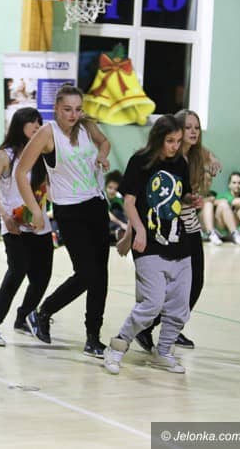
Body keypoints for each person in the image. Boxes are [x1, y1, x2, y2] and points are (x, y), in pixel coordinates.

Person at [15, 85, 112, 358]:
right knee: (87, 273)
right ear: (56, 108)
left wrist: (102, 155)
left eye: (78, 109)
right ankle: (43, 312)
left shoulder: (87, 127)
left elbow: (104, 142)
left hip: (96, 204)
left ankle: (93, 337)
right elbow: (21, 172)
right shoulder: (47, 133)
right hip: (69, 210)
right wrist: (35, 210)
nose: (73, 115)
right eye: (67, 109)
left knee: (100, 274)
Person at [102, 114, 200, 375]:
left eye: (178, 141)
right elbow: (129, 202)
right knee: (152, 304)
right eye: (170, 141)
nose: (175, 146)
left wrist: (191, 200)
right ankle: (117, 347)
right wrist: (138, 231)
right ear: (158, 139)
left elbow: (181, 196)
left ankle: (163, 351)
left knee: (179, 307)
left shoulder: (180, 162)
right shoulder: (140, 161)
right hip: (149, 244)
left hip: (179, 243)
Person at [134, 109, 220, 351]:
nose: (194, 132)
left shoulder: (193, 154)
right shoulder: (170, 158)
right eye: (188, 127)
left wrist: (212, 158)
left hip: (190, 224)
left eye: (197, 127)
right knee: (172, 285)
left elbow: (202, 150)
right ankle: (146, 327)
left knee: (196, 281)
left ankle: (173, 326)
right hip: (171, 226)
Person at [0, 107, 53, 346]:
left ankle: (24, 317)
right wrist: (6, 217)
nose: (37, 126)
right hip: (14, 226)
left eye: (39, 122)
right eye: (32, 122)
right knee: (17, 272)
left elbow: (47, 189)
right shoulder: (4, 155)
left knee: (42, 276)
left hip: (40, 225)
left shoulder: (42, 154)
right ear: (20, 124)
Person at [213, 172, 240, 245]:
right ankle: (236, 233)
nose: (237, 185)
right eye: (234, 183)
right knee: (226, 205)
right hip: (225, 231)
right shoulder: (223, 195)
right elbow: (235, 202)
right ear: (229, 185)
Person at [104, 170, 127, 243]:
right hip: (105, 222)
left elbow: (125, 211)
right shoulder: (102, 197)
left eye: (115, 189)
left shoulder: (118, 197)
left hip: (115, 223)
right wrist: (121, 224)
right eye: (110, 187)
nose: (112, 191)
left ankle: (119, 231)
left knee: (117, 210)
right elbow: (107, 213)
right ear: (105, 187)